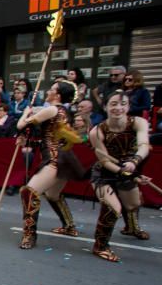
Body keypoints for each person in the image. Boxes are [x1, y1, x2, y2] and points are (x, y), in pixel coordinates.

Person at [15, 81, 83, 249]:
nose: (48, 91)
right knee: (53, 194)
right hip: (66, 158)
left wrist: (26, 113)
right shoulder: (65, 112)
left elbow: (21, 125)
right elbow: (50, 138)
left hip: (55, 159)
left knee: (29, 192)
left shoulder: (52, 109)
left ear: (58, 95)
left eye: (52, 89)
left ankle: (29, 235)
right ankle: (69, 226)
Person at [89, 90, 152, 261]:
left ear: (129, 106)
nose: (118, 108)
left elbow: (144, 145)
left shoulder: (138, 122)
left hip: (129, 168)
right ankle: (100, 246)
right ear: (105, 107)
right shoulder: (97, 131)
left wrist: (134, 164)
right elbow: (104, 161)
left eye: (123, 104)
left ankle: (131, 228)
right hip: (103, 174)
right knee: (113, 207)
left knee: (132, 205)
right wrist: (126, 171)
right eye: (113, 104)